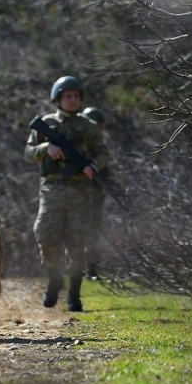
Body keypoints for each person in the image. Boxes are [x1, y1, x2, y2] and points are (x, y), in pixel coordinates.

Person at [24, 76, 110, 312]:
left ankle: (74, 295)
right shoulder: (46, 124)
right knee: (44, 233)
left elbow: (104, 153)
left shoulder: (88, 126)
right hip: (52, 189)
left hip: (80, 191)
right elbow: (28, 153)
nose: (72, 100)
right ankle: (54, 278)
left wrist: (93, 165)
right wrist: (46, 149)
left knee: (76, 242)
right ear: (58, 99)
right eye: (67, 96)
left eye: (75, 96)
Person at [81, 106, 109, 281]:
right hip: (74, 195)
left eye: (98, 125)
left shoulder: (101, 148)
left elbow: (108, 168)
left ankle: (91, 268)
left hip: (95, 195)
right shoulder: (78, 145)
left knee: (93, 233)